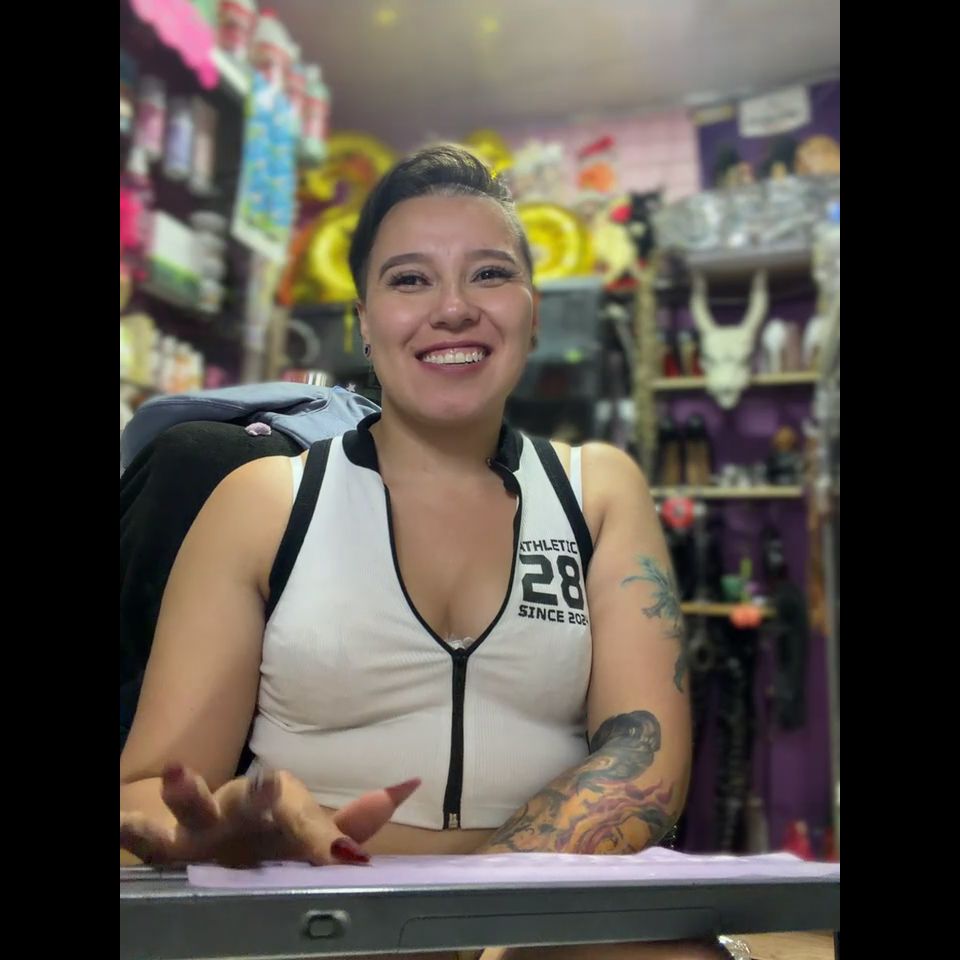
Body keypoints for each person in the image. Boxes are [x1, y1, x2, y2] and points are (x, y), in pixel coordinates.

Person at [121, 144, 722, 959]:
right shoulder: (261, 503)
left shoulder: (598, 492)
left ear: (533, 313)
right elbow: (145, 791)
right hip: (315, 921)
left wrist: (465, 923)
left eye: (490, 274)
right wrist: (219, 833)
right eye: (409, 280)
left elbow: (642, 761)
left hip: (547, 921)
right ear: (364, 323)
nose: (453, 308)